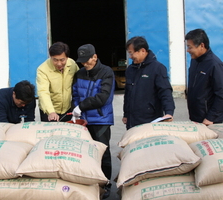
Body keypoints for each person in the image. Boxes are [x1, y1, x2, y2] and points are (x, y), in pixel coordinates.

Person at [72, 44, 114, 199]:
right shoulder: (80, 73)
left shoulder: (106, 72)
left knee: (102, 152)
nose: (85, 64)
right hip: (83, 120)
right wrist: (75, 108)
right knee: (84, 153)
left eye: (87, 60)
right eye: (82, 61)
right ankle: (89, 183)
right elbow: (75, 93)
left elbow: (103, 98)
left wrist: (81, 106)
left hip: (100, 119)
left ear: (95, 57)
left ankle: (105, 184)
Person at [122, 36, 175, 130]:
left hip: (150, 120)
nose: (130, 57)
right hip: (132, 121)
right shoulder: (130, 69)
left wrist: (169, 112)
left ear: (142, 50)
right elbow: (128, 94)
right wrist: (126, 114)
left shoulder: (157, 68)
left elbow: (165, 92)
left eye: (131, 53)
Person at [185, 29, 223, 125]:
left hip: (210, 121)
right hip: (196, 117)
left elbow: (221, 94)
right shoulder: (195, 61)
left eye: (190, 47)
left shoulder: (214, 64)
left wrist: (211, 118)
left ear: (202, 45)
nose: (187, 50)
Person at [36, 42, 79, 122]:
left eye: (62, 60)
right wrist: (51, 112)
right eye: (55, 60)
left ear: (67, 57)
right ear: (50, 57)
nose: (59, 64)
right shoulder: (42, 70)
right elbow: (43, 92)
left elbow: (79, 84)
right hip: (49, 111)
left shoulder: (72, 64)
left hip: (67, 109)